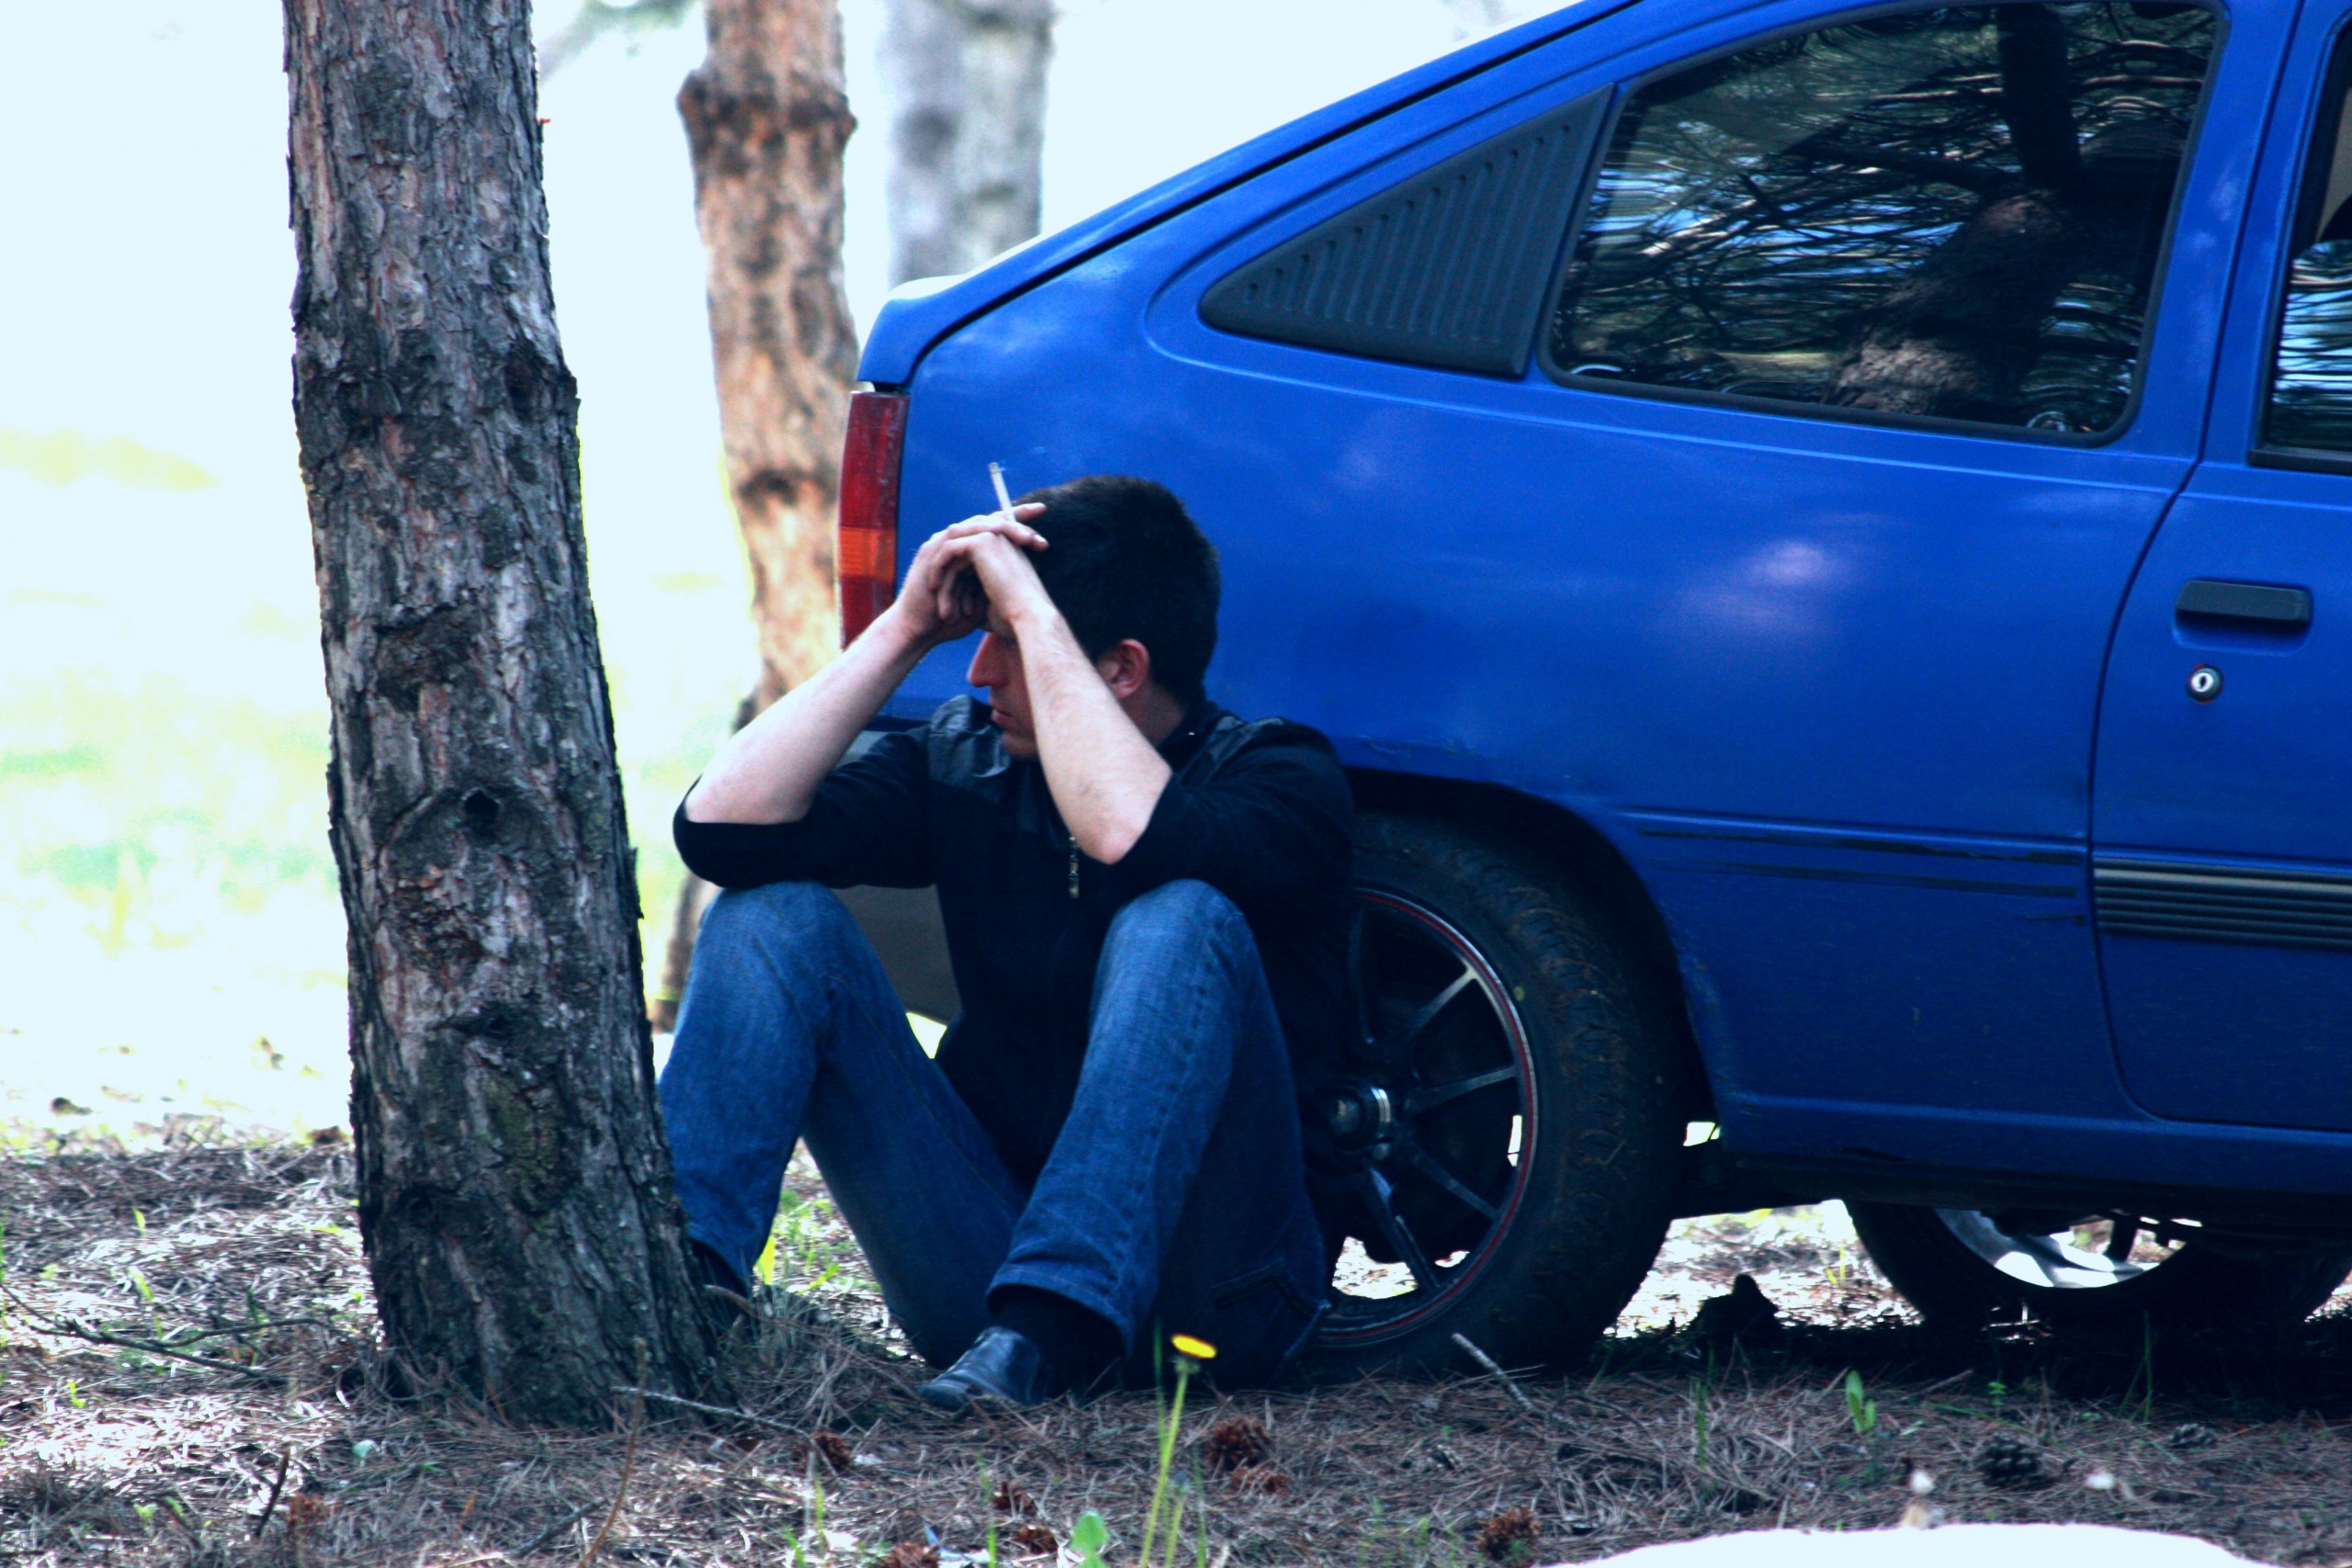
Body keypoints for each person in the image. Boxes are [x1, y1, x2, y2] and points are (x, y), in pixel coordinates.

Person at [660, 474, 1354, 1410]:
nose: (978, 672)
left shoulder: (1278, 778)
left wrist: (1033, 606)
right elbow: (721, 831)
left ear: (1121, 669)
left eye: (1010, 644)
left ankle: (1053, 1320)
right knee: (768, 916)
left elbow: (1134, 837)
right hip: (985, 1291)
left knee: (1180, 915)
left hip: (1222, 1297)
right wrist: (906, 626)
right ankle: (682, 1293)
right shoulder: (969, 761)